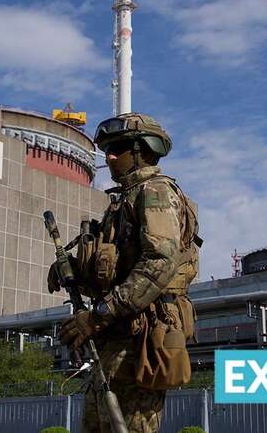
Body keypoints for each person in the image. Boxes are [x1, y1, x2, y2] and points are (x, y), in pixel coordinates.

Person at [49, 112, 201, 433]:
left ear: (141, 150)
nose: (109, 156)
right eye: (107, 149)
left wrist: (98, 315)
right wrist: (73, 270)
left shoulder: (155, 192)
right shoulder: (123, 202)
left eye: (117, 148)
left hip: (141, 341)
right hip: (116, 339)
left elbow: (159, 262)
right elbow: (116, 272)